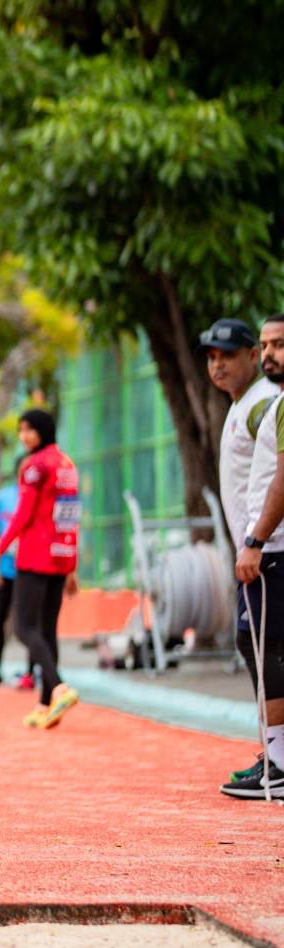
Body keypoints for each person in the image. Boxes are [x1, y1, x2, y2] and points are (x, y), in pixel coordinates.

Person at [0, 410, 80, 729]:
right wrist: (72, 564)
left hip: (35, 555)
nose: (23, 436)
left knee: (24, 629)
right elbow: (70, 516)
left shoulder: (35, 465)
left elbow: (22, 514)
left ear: (43, 430)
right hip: (60, 555)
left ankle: (59, 686)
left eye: (29, 430)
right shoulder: (67, 465)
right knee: (46, 629)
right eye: (20, 430)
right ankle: (43, 705)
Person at [224, 315, 284, 798]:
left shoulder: (270, 404)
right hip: (266, 547)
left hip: (272, 549)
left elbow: (281, 478)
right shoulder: (273, 400)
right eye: (267, 345)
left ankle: (279, 760)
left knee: (263, 647)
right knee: (261, 646)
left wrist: (256, 539)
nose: (270, 354)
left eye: (279, 345)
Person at [0, 456, 36, 690]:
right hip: (5, 570)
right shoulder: (4, 496)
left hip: (29, 570)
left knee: (27, 624)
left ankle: (31, 673)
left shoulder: (38, 498)